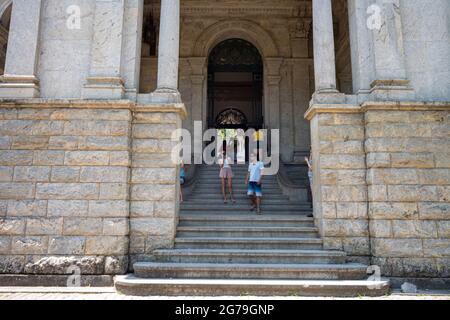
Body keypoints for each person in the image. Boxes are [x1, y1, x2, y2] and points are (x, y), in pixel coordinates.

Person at [304, 148, 314, 217]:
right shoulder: (311, 157)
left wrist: (307, 161)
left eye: (311, 151)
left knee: (313, 195)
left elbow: (311, 168)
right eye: (310, 151)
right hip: (310, 177)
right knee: (312, 194)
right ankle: (313, 211)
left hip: (313, 178)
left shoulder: (313, 159)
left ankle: (314, 212)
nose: (310, 152)